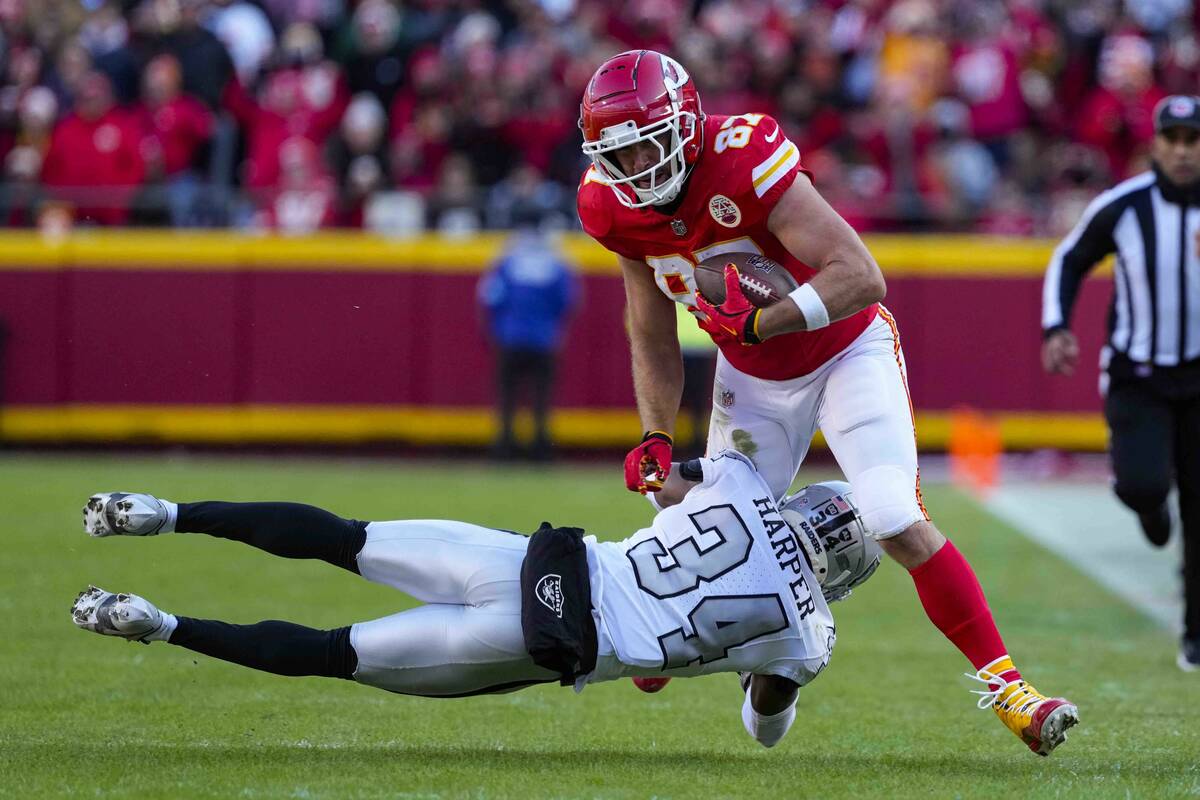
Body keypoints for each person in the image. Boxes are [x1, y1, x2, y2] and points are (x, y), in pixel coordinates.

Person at [575, 49, 1078, 755]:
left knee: (892, 513)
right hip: (750, 381)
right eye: (618, 157)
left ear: (685, 126)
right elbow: (650, 325)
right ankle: (773, 667)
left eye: (647, 148)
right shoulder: (608, 203)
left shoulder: (743, 155)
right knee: (684, 526)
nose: (636, 172)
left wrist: (764, 320)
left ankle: (1012, 692)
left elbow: (862, 276)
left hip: (846, 351)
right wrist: (655, 434)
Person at [72, 451, 863, 748]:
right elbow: (765, 727)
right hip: (546, 641)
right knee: (331, 653)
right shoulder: (811, 635)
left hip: (527, 562)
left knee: (345, 536)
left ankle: (166, 513)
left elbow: (663, 482)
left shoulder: (745, 482)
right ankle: (163, 626)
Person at [1042, 94, 1200, 672]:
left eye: (1193, 140)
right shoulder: (1126, 206)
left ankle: (1195, 634)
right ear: (1156, 143)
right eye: (1174, 140)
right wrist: (1056, 325)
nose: (1183, 152)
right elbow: (1069, 259)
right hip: (1139, 374)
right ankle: (1151, 505)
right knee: (1141, 485)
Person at [478, 221, 579, 460]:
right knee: (541, 399)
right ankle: (540, 449)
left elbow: (491, 297)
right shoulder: (556, 261)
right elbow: (568, 300)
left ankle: (504, 448)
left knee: (507, 398)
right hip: (543, 338)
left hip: (511, 337)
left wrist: (497, 328)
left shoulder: (507, 259)